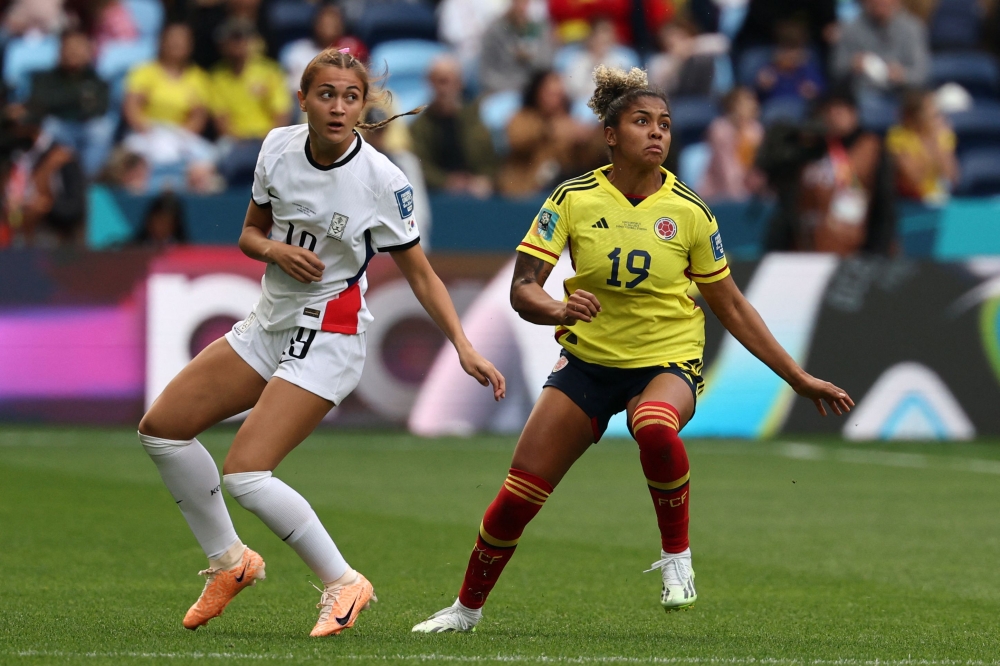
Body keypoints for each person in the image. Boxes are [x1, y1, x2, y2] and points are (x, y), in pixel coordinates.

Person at [411, 65, 853, 633]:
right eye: (642, 121)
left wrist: (797, 377)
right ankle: (464, 611)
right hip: (589, 364)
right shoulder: (572, 200)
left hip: (666, 360)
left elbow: (733, 306)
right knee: (518, 496)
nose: (657, 133)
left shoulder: (691, 212)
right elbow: (525, 290)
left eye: (665, 124)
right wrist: (558, 310)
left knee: (652, 423)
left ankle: (678, 560)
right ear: (611, 135)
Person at [136, 48, 505, 638]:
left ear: (364, 106)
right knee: (162, 429)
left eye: (350, 96)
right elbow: (250, 235)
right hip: (270, 320)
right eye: (326, 94)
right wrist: (275, 250)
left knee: (247, 474)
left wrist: (462, 343)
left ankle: (344, 583)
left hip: (330, 332)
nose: (338, 106)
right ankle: (230, 562)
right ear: (303, 99)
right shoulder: (276, 149)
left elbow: (420, 273)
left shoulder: (382, 180)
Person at [123, 23, 220, 194]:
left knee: (208, 162)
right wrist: (150, 133)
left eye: (182, 40)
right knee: (131, 163)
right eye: (172, 39)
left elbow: (198, 117)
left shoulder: (199, 78)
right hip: (146, 132)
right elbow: (132, 107)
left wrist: (177, 137)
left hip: (181, 135)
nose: (177, 44)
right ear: (161, 42)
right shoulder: (144, 72)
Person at [210, 17, 291, 187]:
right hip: (235, 141)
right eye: (232, 39)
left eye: (241, 38)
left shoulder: (269, 71)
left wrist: (267, 140)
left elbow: (281, 115)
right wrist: (241, 142)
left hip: (266, 138)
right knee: (220, 158)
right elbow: (221, 121)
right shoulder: (218, 77)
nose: (237, 44)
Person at [26, 29, 113, 178]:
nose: (74, 53)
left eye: (79, 48)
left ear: (89, 52)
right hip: (57, 126)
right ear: (60, 51)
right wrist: (79, 97)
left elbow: (99, 109)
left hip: (84, 127)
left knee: (101, 129)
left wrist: (64, 101)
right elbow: (40, 103)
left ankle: (84, 178)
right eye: (69, 47)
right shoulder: (43, 78)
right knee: (48, 127)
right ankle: (42, 177)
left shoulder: (98, 81)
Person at [497, 70, 598, 197]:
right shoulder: (522, 117)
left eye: (559, 95)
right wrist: (548, 129)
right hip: (521, 191)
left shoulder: (570, 123)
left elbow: (585, 161)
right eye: (550, 94)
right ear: (537, 93)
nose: (556, 100)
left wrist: (584, 140)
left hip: (557, 193)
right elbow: (517, 140)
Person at [409, 55, 497, 198]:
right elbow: (419, 166)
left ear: (460, 84)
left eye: (450, 81)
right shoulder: (419, 127)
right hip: (436, 197)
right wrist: (446, 181)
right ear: (430, 83)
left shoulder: (475, 121)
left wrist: (484, 179)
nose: (444, 89)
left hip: (475, 195)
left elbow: (490, 161)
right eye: (439, 82)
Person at [832, 0, 929, 95]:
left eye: (884, 2)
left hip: (903, 92)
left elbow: (921, 74)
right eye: (875, 2)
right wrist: (852, 64)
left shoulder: (912, 28)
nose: (879, 4)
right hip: (865, 90)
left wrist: (902, 75)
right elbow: (836, 69)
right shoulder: (850, 29)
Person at [885, 89, 959, 205]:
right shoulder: (898, 137)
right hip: (909, 204)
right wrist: (931, 146)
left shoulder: (941, 135)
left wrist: (937, 144)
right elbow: (914, 180)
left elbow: (951, 178)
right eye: (929, 109)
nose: (935, 115)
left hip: (938, 200)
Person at [281, 4, 367, 98]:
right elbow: (288, 88)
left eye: (333, 21)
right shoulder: (296, 51)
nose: (328, 25)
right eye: (325, 21)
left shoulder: (352, 48)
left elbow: (364, 83)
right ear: (315, 23)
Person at [699, 86, 764, 202]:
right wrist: (741, 202)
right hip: (717, 196)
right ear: (733, 107)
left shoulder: (756, 130)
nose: (753, 105)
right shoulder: (719, 130)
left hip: (749, 195)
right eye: (747, 101)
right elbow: (726, 171)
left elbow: (758, 170)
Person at [478, 0, 555, 95]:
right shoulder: (494, 31)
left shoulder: (539, 27)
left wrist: (531, 57)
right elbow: (487, 74)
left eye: (525, 3)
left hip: (535, 93)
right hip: (504, 91)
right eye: (517, 2)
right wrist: (512, 88)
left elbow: (547, 65)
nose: (521, 8)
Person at [646, 17, 726, 98]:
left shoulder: (698, 47)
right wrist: (677, 59)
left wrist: (688, 47)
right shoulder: (660, 60)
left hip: (708, 94)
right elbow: (656, 86)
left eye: (679, 36)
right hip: (677, 99)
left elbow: (722, 43)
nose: (674, 40)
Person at [755, 20, 825, 103]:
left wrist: (813, 91)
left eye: (794, 49)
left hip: (802, 107)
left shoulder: (809, 68)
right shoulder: (770, 68)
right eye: (785, 49)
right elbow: (759, 94)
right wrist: (763, 86)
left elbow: (820, 90)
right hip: (775, 105)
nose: (789, 54)